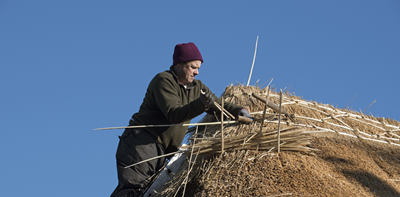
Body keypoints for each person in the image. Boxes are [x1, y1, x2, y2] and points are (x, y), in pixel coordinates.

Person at [111, 42, 252, 197]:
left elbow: (218, 105)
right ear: (179, 64)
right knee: (133, 192)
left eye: (198, 68)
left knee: (150, 193)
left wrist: (240, 110)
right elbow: (174, 114)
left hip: (163, 153)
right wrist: (201, 104)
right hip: (142, 144)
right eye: (193, 67)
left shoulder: (197, 87)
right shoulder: (163, 81)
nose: (197, 72)